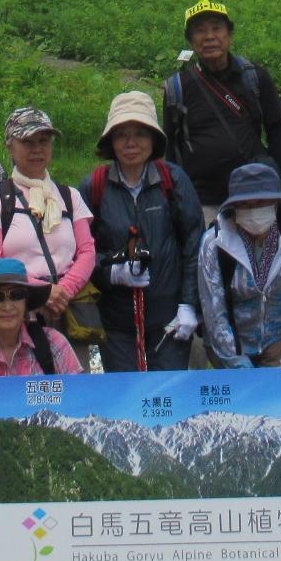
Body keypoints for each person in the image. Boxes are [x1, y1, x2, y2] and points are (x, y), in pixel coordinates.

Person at [0, 259, 86, 521]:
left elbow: (82, 410)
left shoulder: (54, 344)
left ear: (26, 303)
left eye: (17, 295)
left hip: (57, 470)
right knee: (0, 552)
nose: (8, 306)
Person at [84, 91, 206, 372]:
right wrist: (111, 272)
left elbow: (193, 244)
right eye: (121, 134)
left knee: (168, 398)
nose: (131, 143)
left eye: (140, 133)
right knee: (126, 401)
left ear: (153, 140)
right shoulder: (95, 187)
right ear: (110, 142)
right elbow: (83, 250)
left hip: (169, 317)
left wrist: (189, 304)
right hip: (116, 319)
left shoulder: (172, 180)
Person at [162, 0, 281, 219]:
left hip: (254, 195)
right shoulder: (178, 87)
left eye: (216, 28)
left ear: (229, 36)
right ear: (191, 41)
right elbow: (172, 147)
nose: (209, 36)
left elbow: (276, 131)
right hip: (202, 201)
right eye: (200, 30)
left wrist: (274, 178)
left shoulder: (254, 77)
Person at [0, 107, 96, 330]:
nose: (37, 149)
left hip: (69, 309)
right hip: (19, 313)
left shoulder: (69, 196)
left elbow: (87, 251)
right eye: (28, 142)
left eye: (44, 141)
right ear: (9, 145)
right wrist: (41, 292)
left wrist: (63, 291)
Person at [195, 162, 281, 367]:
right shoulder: (214, 242)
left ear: (275, 202)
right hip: (231, 342)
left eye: (261, 202)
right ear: (233, 207)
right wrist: (238, 365)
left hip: (280, 338)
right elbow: (214, 312)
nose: (254, 210)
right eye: (245, 205)